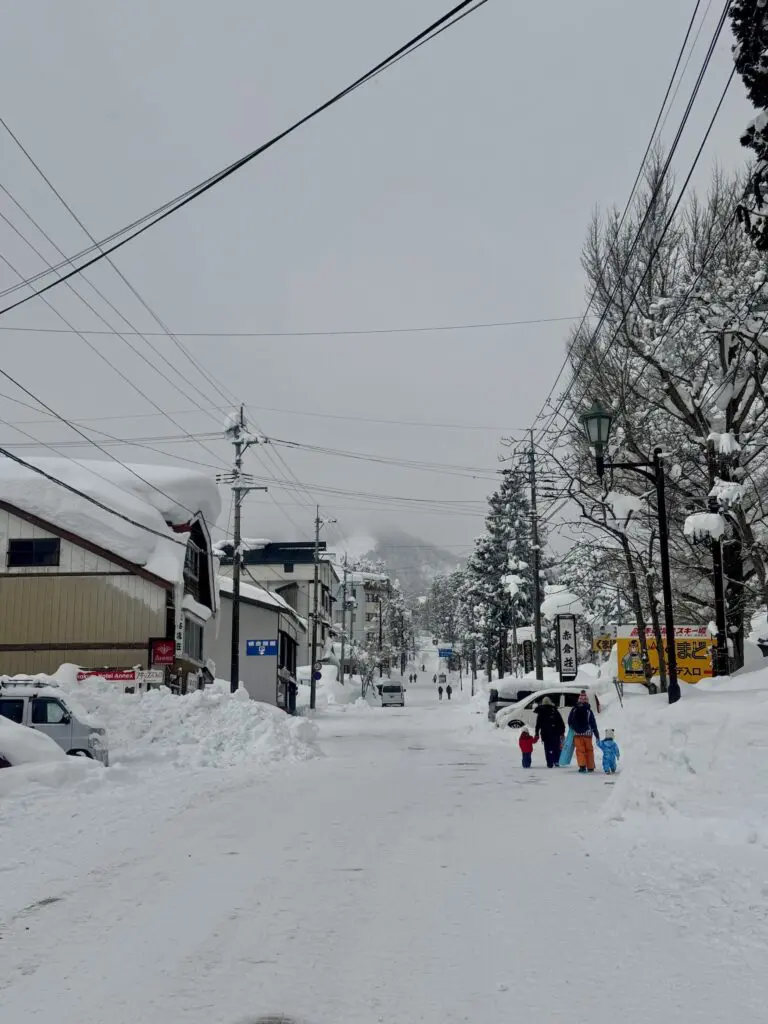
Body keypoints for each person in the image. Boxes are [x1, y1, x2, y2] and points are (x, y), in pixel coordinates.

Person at [568, 690, 600, 773]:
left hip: (577, 734)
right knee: (589, 750)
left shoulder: (574, 709)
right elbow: (593, 723)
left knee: (580, 750)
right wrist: (597, 735)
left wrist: (573, 728)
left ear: (578, 700)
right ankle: (590, 767)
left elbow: (569, 720)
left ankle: (582, 766)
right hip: (588, 734)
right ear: (587, 701)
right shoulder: (588, 711)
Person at [534, 696, 565, 768]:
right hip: (555, 733)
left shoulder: (541, 711)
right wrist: (562, 732)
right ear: (550, 702)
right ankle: (556, 761)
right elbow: (561, 722)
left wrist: (536, 734)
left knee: (548, 748)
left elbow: (538, 724)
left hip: (545, 733)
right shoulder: (554, 710)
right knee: (556, 747)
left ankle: (549, 763)